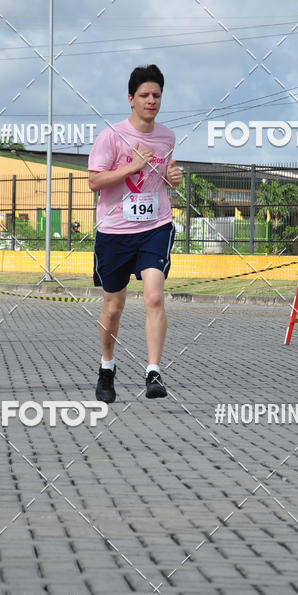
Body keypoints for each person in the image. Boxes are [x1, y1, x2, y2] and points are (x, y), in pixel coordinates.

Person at [88, 64, 183, 402]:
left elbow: (162, 178)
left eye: (156, 95)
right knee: (114, 306)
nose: (151, 100)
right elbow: (94, 182)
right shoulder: (111, 136)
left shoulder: (167, 137)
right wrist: (132, 166)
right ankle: (107, 366)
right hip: (114, 231)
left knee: (154, 296)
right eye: (144, 95)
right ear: (131, 99)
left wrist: (173, 177)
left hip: (155, 226)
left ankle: (153, 371)